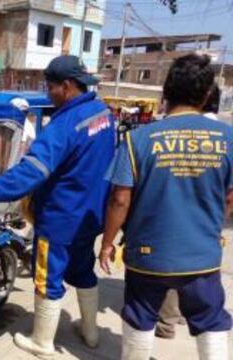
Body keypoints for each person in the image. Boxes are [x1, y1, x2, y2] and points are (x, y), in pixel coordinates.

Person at [0, 55, 116, 358]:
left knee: (47, 277)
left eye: (50, 87)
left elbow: (29, 174)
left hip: (59, 220)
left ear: (66, 86)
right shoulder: (103, 114)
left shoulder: (63, 126)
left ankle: (42, 342)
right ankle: (91, 334)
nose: (47, 94)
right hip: (91, 216)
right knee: (83, 270)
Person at [100, 53, 232, 360]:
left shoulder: (138, 139)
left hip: (147, 255)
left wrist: (107, 243)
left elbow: (120, 198)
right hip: (203, 256)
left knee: (139, 317)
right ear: (208, 95)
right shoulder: (229, 138)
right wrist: (212, 221)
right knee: (211, 321)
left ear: (165, 93)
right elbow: (230, 197)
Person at [155, 83, 222, 340]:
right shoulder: (224, 135)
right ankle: (179, 316)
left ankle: (166, 324)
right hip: (206, 225)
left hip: (173, 221)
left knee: (173, 273)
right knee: (199, 281)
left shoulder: (166, 133)